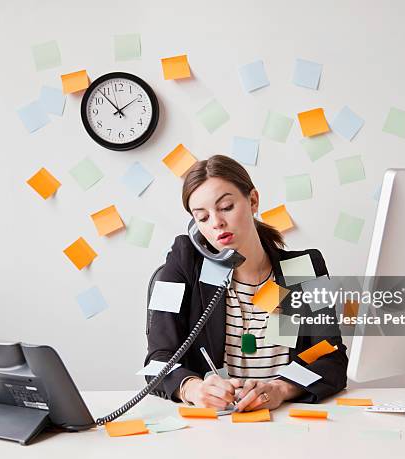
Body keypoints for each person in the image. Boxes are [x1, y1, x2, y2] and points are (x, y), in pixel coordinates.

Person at [145, 155, 347, 412]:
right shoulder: (183, 263)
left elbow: (331, 356)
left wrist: (281, 389)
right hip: (213, 427)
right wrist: (193, 388)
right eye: (202, 217)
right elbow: (157, 360)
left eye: (226, 207)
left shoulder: (304, 268)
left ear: (253, 201)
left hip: (285, 421)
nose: (216, 222)